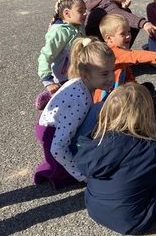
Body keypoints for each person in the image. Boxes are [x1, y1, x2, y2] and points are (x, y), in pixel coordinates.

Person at [74, 83, 156, 235]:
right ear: (145, 115)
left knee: (135, 167)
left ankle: (144, 130)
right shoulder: (151, 151)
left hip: (94, 210)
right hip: (136, 221)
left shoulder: (93, 141)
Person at [34, 38, 116, 189]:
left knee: (100, 109)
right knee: (99, 108)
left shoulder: (81, 83)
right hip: (52, 136)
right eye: (105, 73)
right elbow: (57, 148)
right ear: (85, 75)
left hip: (51, 127)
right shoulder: (79, 101)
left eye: (113, 70)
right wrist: (82, 176)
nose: (112, 77)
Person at [94, 14, 156, 108]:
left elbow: (128, 77)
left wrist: (139, 91)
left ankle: (145, 102)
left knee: (147, 87)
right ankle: (149, 108)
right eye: (123, 34)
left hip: (119, 93)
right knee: (138, 102)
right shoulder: (111, 52)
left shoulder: (121, 54)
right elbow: (135, 55)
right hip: (107, 102)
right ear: (109, 38)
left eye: (129, 32)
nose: (128, 36)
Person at [36, 0, 87, 110]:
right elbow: (45, 56)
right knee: (67, 100)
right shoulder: (59, 32)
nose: (85, 13)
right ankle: (49, 95)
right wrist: (47, 80)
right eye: (81, 11)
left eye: (85, 10)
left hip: (76, 72)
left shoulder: (78, 26)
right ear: (67, 14)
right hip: (63, 75)